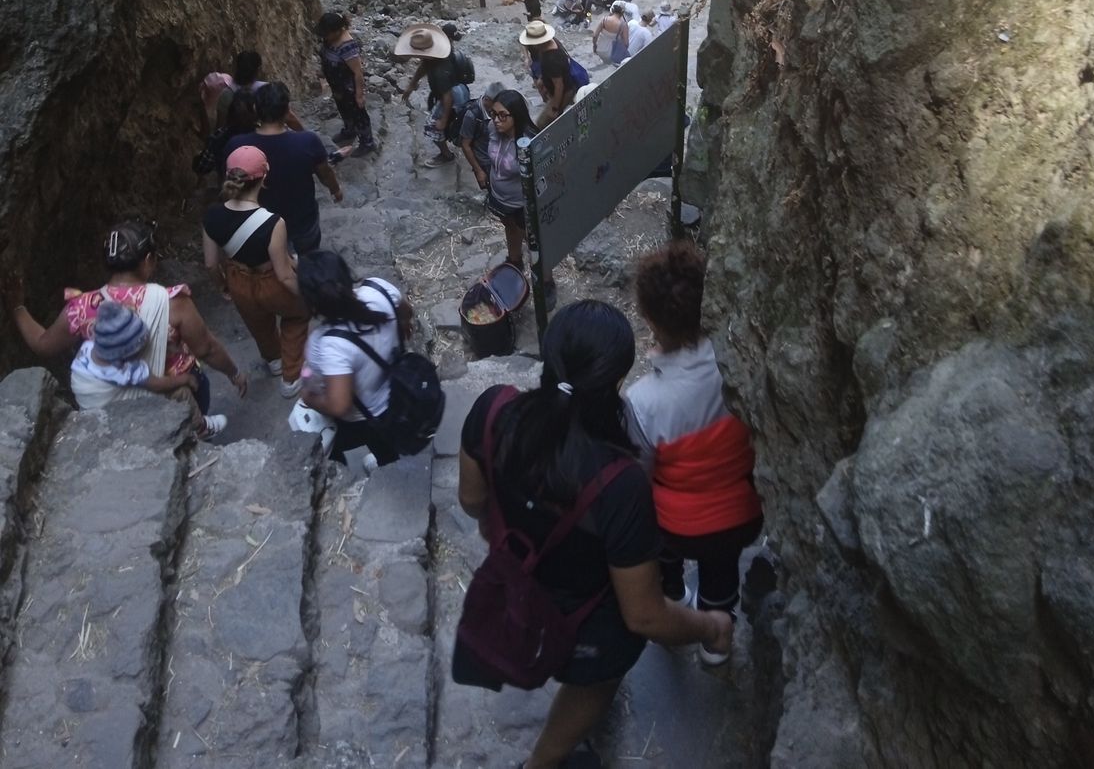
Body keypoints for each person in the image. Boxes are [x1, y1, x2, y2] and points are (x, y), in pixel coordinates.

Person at [455, 301, 732, 766]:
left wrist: (506, 523)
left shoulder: (493, 410)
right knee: (600, 672)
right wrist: (712, 626)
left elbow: (470, 500)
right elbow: (644, 616)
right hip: (585, 621)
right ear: (616, 380)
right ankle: (542, 761)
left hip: (515, 585)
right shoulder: (620, 484)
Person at [625, 243, 763, 667]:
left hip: (676, 525)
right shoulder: (739, 362)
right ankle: (716, 642)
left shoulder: (643, 400)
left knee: (663, 547)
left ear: (649, 320)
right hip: (741, 514)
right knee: (721, 571)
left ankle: (673, 599)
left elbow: (642, 473)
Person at [10, 220, 244, 437]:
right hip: (171, 391)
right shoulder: (173, 302)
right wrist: (234, 373)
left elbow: (42, 344)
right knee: (193, 395)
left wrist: (17, 306)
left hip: (114, 409)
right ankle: (199, 431)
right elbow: (207, 349)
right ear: (149, 260)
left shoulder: (81, 307)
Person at [202, 144, 310, 398]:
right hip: (270, 281)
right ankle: (291, 377)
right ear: (263, 179)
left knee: (257, 322)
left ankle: (274, 360)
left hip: (238, 280)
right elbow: (283, 273)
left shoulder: (212, 215)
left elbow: (210, 263)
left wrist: (223, 285)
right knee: (297, 316)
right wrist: (309, 296)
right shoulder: (273, 222)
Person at [297, 250, 416, 467]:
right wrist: (402, 324)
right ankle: (390, 459)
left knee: (336, 441)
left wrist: (308, 397)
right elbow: (406, 311)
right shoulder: (378, 288)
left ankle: (377, 466)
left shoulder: (325, 344)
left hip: (372, 416)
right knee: (388, 442)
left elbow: (339, 405)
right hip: (399, 386)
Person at [225, 83, 343, 254]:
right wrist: (335, 189)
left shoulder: (236, 145)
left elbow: (228, 184)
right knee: (307, 259)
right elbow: (324, 173)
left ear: (256, 108)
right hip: (301, 219)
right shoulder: (308, 141)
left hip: (257, 223)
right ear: (288, 110)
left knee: (271, 266)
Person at [70, 300, 209, 420]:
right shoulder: (128, 371)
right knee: (181, 392)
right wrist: (186, 379)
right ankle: (201, 427)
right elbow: (160, 385)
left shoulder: (86, 348)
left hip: (87, 407)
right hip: (114, 414)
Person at [397, 23, 472, 167]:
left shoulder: (440, 69)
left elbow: (447, 96)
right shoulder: (435, 53)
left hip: (453, 95)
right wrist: (412, 84)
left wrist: (442, 120)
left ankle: (446, 155)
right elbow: (424, 65)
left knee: (432, 125)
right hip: (449, 90)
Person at [485, 89, 536, 266]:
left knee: (533, 240)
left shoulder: (528, 142)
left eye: (503, 115)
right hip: (499, 198)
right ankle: (514, 261)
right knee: (509, 227)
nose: (497, 120)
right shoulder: (492, 128)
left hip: (520, 204)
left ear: (516, 116)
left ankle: (543, 277)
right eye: (493, 114)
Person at [317, 11, 376, 157]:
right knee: (342, 108)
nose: (324, 36)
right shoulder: (329, 40)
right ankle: (350, 131)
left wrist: (359, 95)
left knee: (358, 114)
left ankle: (367, 142)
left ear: (337, 31)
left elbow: (358, 72)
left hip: (349, 87)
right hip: (337, 85)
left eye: (327, 33)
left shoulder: (347, 46)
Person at [215, 51, 303, 131]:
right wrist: (305, 134)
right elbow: (290, 118)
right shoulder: (267, 91)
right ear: (258, 69)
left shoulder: (225, 95)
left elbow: (220, 126)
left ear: (236, 67)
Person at [519, 21, 580, 128]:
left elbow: (559, 85)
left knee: (541, 123)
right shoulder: (551, 43)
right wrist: (542, 79)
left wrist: (554, 108)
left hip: (565, 92)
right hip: (560, 87)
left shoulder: (551, 58)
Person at [460, 82, 506, 191]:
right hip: (485, 163)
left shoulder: (496, 110)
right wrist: (479, 171)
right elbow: (465, 145)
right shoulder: (472, 116)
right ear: (488, 100)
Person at [591, 2, 631, 67]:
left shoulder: (604, 20)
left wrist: (594, 47)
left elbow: (595, 36)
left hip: (600, 50)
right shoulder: (623, 25)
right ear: (622, 12)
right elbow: (626, 44)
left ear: (612, 10)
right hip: (612, 54)